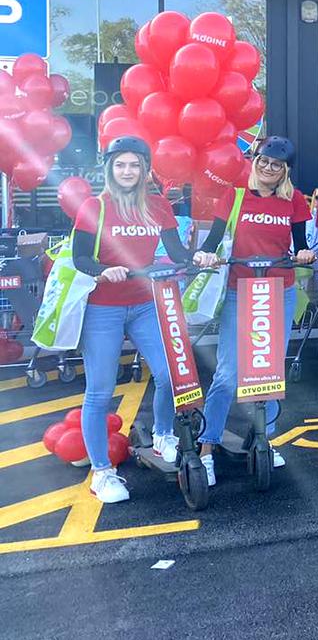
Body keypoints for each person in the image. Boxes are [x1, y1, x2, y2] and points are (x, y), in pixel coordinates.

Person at [72, 136, 199, 504]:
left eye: (134, 165)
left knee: (169, 374)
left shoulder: (158, 206)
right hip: (104, 308)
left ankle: (162, 435)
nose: (127, 171)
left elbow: (177, 252)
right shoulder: (94, 207)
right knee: (100, 391)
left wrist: (200, 257)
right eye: (120, 165)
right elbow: (80, 258)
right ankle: (102, 473)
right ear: (110, 169)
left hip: (145, 303)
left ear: (145, 170)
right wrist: (102, 270)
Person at [193, 136, 316, 486]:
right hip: (239, 290)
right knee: (228, 373)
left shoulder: (293, 200)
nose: (268, 168)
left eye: (276, 165)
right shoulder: (234, 196)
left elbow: (301, 244)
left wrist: (305, 254)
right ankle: (207, 448)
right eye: (263, 161)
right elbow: (212, 241)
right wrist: (205, 254)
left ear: (285, 170)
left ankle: (265, 438)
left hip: (279, 291)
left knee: (269, 371)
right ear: (255, 161)